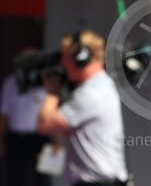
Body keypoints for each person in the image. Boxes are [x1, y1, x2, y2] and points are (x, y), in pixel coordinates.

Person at [37, 30, 128, 186]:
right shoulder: (98, 86)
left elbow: (44, 123)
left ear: (81, 58)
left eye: (66, 57)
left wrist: (52, 91)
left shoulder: (92, 93)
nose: (63, 64)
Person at [0, 50, 51, 186]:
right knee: (14, 177)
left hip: (40, 137)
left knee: (43, 178)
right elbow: (4, 114)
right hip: (16, 138)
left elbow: (53, 112)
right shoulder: (10, 83)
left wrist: (56, 141)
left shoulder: (46, 82)